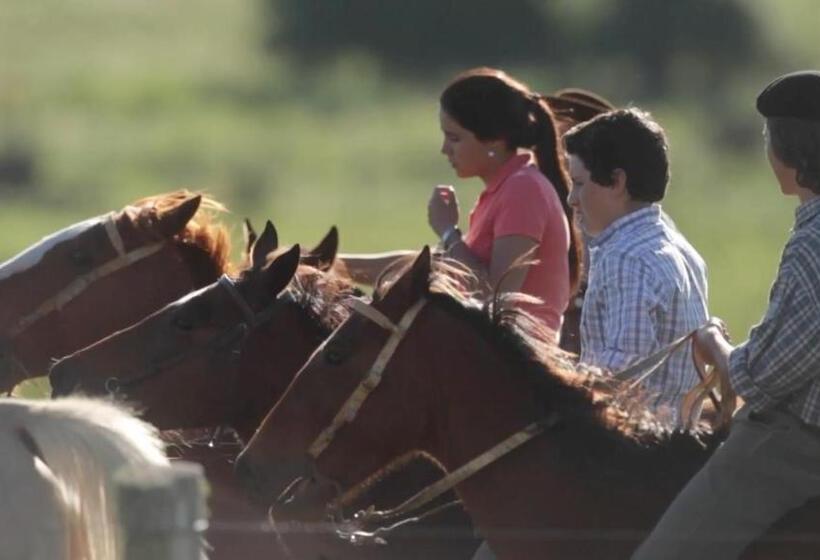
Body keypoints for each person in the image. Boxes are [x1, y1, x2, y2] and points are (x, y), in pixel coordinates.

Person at [632, 70, 820, 559]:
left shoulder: (811, 245)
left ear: (790, 156)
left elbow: (768, 376)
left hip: (795, 442)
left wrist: (716, 345)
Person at [342, 67, 579, 337]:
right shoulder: (505, 189)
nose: (445, 149)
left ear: (495, 140)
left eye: (454, 138)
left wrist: (448, 232)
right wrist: (332, 265)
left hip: (519, 362)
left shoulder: (524, 189)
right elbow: (432, 265)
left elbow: (497, 296)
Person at [563, 108, 709, 422]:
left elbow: (619, 376)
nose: (571, 199)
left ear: (616, 181)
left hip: (635, 451)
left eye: (578, 183)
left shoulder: (627, 258)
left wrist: (550, 381)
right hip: (677, 439)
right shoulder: (675, 243)